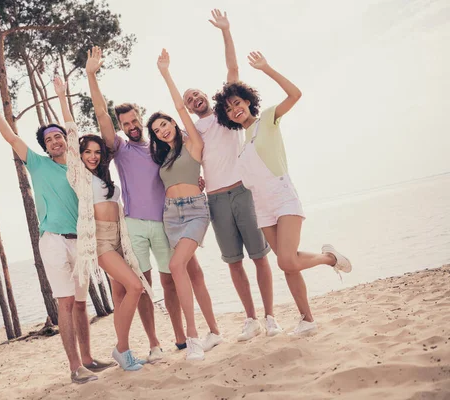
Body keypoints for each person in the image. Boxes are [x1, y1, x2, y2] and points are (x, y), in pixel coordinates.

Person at [0, 77, 116, 383]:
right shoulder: (37, 164)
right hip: (53, 242)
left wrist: (62, 95)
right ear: (44, 146)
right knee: (65, 303)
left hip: (81, 243)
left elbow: (73, 127)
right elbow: (11, 137)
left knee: (80, 304)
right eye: (48, 139)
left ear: (66, 139)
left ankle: (88, 360)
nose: (54, 140)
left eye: (58, 136)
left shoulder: (79, 165)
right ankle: (75, 367)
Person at [85, 47, 221, 358]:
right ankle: (154, 345)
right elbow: (101, 115)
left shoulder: (159, 148)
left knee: (171, 280)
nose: (131, 126)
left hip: (165, 220)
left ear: (141, 119)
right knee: (144, 285)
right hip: (133, 224)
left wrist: (197, 182)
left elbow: (183, 167)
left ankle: (181, 338)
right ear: (121, 127)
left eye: (135, 120)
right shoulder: (119, 148)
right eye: (126, 123)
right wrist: (92, 76)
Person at [212, 51, 352, 335]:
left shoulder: (267, 119)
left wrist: (266, 68)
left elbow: (295, 94)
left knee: (286, 260)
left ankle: (330, 258)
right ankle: (307, 319)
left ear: (247, 101)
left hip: (283, 196)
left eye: (237, 103)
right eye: (229, 109)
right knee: (289, 267)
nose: (235, 110)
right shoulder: (242, 141)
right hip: (261, 207)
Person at [183, 9, 282, 340]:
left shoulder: (227, 114)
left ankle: (270, 316)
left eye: (196, 94)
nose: (194, 99)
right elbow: (186, 161)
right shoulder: (192, 130)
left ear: (204, 96)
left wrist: (226, 30)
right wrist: (194, 181)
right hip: (215, 200)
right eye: (188, 99)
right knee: (233, 262)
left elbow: (233, 69)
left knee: (259, 257)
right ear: (186, 107)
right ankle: (250, 318)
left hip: (243, 192)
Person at [53, 76, 152, 371]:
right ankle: (121, 350)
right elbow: (71, 136)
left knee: (123, 293)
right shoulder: (79, 176)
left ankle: (124, 350)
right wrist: (62, 97)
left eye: (97, 152)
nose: (93, 156)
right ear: (80, 156)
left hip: (119, 238)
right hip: (99, 241)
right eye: (88, 152)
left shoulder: (105, 177)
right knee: (136, 287)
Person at [148, 49, 223, 361]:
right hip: (170, 217)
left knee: (176, 266)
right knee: (194, 273)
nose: (163, 130)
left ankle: (192, 337)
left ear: (172, 123)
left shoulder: (192, 142)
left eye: (164, 124)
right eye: (157, 131)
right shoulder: (163, 157)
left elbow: (180, 106)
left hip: (194, 211)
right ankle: (215, 331)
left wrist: (166, 73)